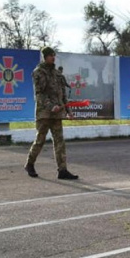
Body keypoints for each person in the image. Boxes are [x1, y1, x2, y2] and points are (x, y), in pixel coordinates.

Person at [24, 47, 79, 180]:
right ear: (44, 57)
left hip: (57, 114)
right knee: (40, 141)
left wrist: (69, 111)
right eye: (50, 55)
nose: (53, 58)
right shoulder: (38, 72)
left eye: (54, 55)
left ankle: (62, 170)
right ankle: (29, 164)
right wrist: (50, 106)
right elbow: (39, 94)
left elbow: (63, 95)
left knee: (60, 142)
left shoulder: (57, 74)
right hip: (44, 113)